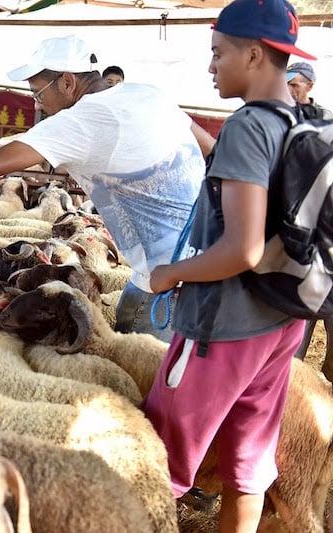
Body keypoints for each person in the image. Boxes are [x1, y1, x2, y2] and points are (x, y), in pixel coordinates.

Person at [0, 35, 211, 342]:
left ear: (67, 82)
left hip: (171, 281)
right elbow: (213, 147)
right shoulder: (146, 93)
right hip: (210, 257)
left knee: (152, 381)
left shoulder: (80, 120)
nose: (36, 104)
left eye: (38, 93)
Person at [144, 1, 313, 531]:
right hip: (284, 319)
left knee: (154, 464)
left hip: (224, 325)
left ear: (256, 54)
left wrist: (170, 275)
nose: (211, 67)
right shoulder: (306, 118)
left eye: (218, 53)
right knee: (248, 466)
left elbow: (242, 250)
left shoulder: (249, 126)